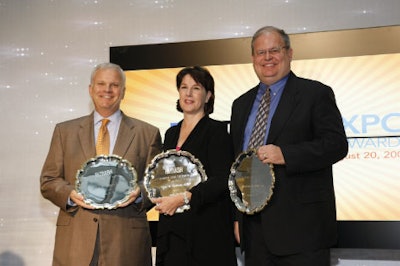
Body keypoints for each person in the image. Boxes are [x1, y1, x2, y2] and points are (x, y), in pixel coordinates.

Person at [230, 26, 348, 265]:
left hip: (303, 232)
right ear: (253, 58)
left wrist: (286, 154)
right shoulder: (240, 104)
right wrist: (237, 217)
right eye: (260, 52)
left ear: (289, 53)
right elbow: (237, 166)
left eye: (274, 50)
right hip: (254, 232)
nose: (267, 58)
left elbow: (336, 145)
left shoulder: (315, 94)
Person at [40, 62, 162, 266]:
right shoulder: (65, 132)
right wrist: (70, 194)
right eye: (101, 84)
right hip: (76, 241)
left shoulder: (147, 133)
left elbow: (156, 183)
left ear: (123, 92)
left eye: (114, 85)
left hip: (126, 243)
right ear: (90, 89)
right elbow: (49, 180)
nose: (107, 90)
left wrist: (139, 193)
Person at [151, 66, 238, 266]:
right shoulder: (171, 134)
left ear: (208, 96)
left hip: (205, 232)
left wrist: (184, 197)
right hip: (172, 230)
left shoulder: (217, 131)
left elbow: (222, 178)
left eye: (196, 88)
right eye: (184, 87)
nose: (188, 94)